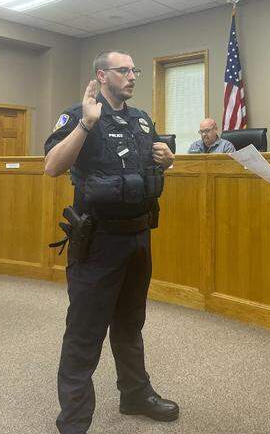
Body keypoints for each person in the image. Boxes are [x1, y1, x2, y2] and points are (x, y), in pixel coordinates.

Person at [43, 50, 179, 434]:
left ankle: (135, 394)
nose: (132, 75)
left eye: (134, 70)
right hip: (99, 242)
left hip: (138, 237)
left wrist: (168, 160)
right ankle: (74, 420)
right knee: (85, 331)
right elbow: (52, 166)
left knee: (130, 322)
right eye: (123, 70)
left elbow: (150, 168)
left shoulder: (141, 120)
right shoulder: (79, 115)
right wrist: (86, 125)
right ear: (102, 76)